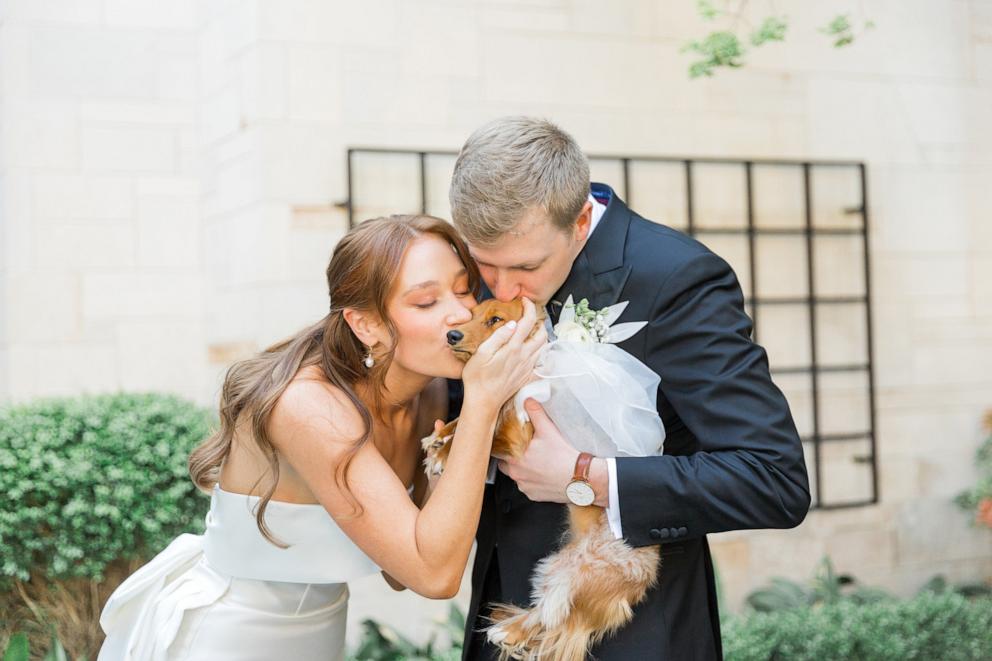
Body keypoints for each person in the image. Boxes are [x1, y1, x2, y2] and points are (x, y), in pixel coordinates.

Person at [97, 214, 546, 661]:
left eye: (464, 288)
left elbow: (401, 571)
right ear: (365, 325)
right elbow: (434, 575)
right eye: (426, 301)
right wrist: (482, 404)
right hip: (229, 636)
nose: (461, 312)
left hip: (322, 629)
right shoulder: (309, 408)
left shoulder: (426, 393)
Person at [448, 117, 811, 660]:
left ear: (578, 223)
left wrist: (585, 477)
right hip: (501, 620)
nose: (501, 288)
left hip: (633, 632)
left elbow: (772, 479)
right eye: (484, 263)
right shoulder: (473, 273)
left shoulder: (678, 278)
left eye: (526, 266)